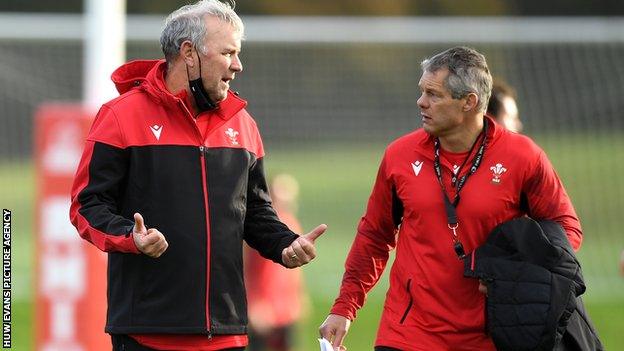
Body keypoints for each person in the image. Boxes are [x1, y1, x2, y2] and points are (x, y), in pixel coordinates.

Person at [69, 1, 326, 350]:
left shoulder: (243, 124)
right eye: (228, 53)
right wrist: (132, 236)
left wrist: (285, 243)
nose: (238, 65)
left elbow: (255, 212)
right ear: (189, 53)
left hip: (227, 331)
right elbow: (87, 205)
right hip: (147, 332)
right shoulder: (120, 117)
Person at [319, 46, 582, 351]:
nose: (421, 102)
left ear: (468, 102)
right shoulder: (399, 156)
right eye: (421, 91)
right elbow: (374, 236)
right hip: (407, 332)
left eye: (433, 94)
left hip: (492, 336)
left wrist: (513, 274)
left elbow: (566, 230)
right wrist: (344, 307)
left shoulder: (524, 157)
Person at [244, 173, 309, 351]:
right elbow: (246, 268)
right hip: (265, 311)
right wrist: (253, 304)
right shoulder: (262, 232)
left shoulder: (292, 223)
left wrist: (300, 298)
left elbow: (295, 273)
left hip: (287, 310)